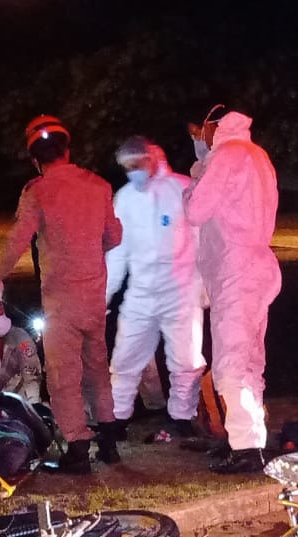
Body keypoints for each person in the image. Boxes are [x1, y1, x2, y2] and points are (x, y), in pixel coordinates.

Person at [0, 115, 124, 473]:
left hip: (60, 301)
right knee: (97, 368)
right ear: (67, 149)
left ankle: (78, 447)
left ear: (36, 158)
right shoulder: (98, 185)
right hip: (95, 296)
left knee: (63, 376)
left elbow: (19, 239)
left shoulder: (38, 192)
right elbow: (115, 237)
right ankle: (109, 440)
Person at [185, 106, 281, 474]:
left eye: (201, 129)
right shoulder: (259, 156)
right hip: (258, 268)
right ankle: (250, 440)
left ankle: (245, 448)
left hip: (235, 271)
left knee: (229, 366)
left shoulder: (226, 156)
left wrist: (196, 176)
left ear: (213, 125)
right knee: (250, 362)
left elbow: (195, 210)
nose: (199, 136)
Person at [106, 136, 205, 440]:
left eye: (137, 164)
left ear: (152, 158)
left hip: (181, 289)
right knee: (124, 359)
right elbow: (117, 251)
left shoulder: (183, 189)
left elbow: (203, 240)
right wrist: (104, 294)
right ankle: (117, 419)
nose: (133, 171)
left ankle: (182, 416)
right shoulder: (124, 198)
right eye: (127, 167)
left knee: (185, 360)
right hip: (141, 291)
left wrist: (203, 286)